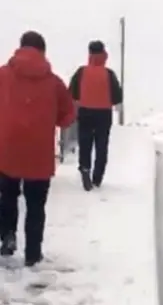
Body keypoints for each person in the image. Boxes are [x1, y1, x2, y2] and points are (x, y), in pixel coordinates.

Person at [0, 31, 76, 267]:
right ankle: (33, 253)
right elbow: (67, 117)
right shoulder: (54, 83)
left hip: (7, 148)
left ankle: (7, 237)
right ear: (43, 52)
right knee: (35, 204)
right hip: (39, 153)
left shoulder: (2, 75)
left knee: (6, 196)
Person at [68, 40, 123, 191]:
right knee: (101, 145)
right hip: (104, 114)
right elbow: (117, 97)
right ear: (104, 54)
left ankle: (85, 169)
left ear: (90, 54)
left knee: (85, 143)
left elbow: (72, 92)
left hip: (85, 111)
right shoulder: (109, 74)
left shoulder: (81, 72)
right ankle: (97, 177)